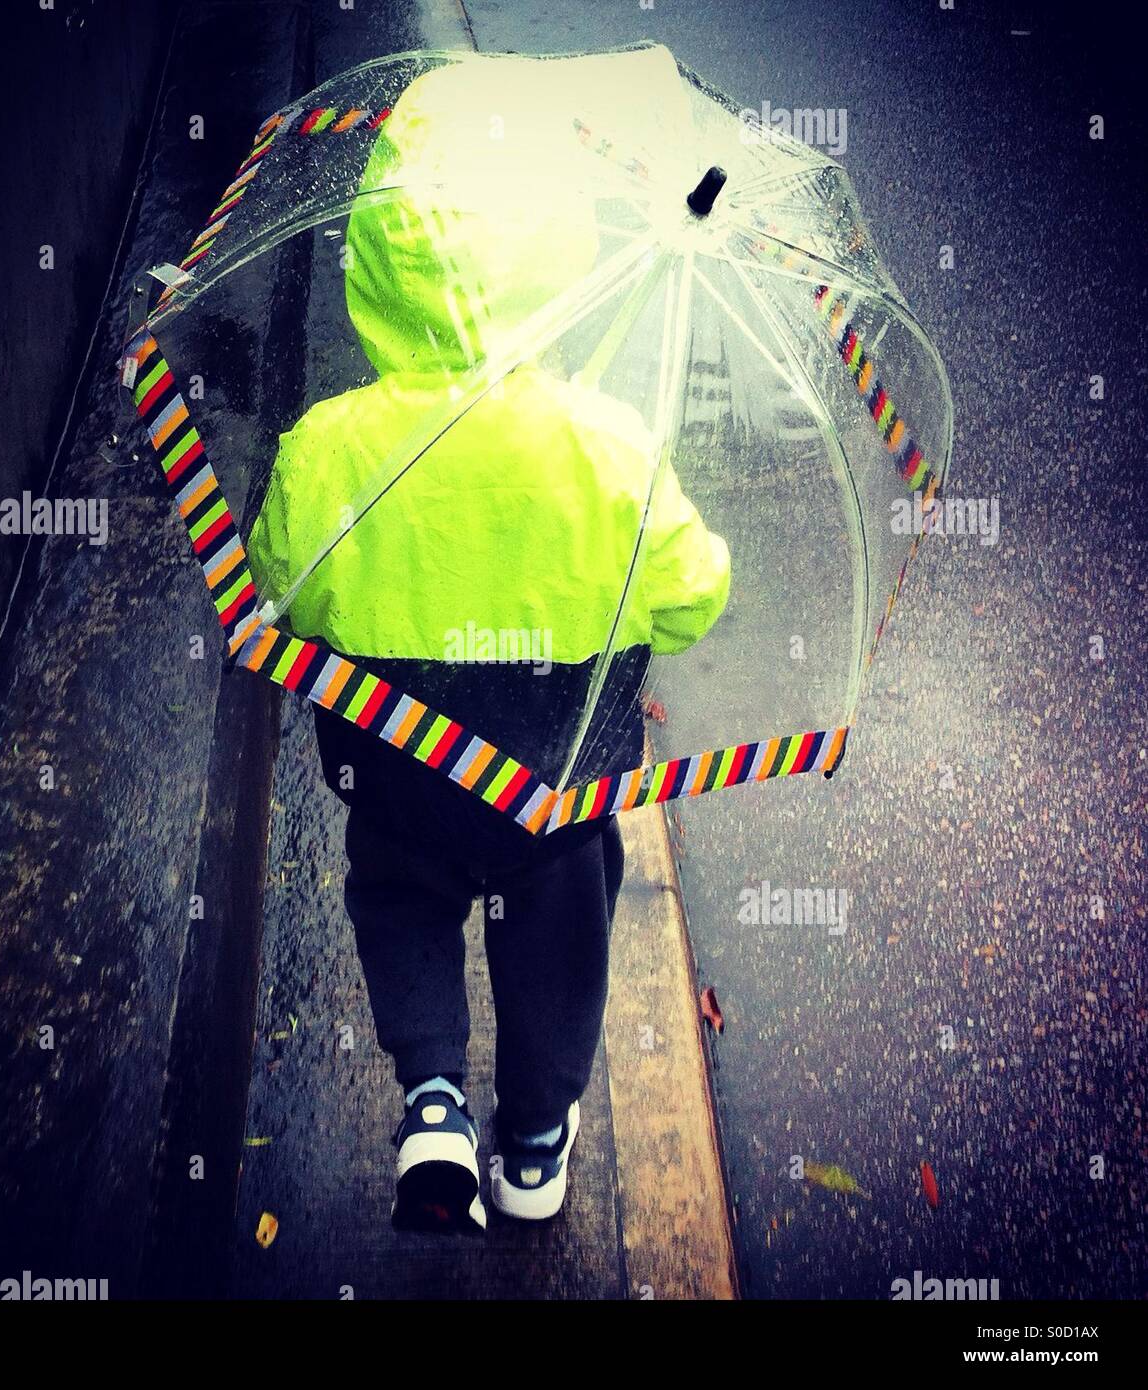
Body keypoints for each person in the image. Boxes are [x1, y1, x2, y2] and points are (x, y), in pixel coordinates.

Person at [247, 62, 730, 1232]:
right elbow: (693, 594)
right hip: (551, 785)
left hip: (397, 769)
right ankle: (531, 1142)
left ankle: (427, 1097)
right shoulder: (607, 452)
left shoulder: (328, 448)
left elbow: (285, 593)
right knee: (558, 936)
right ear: (560, 266)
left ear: (372, 265)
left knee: (400, 903)